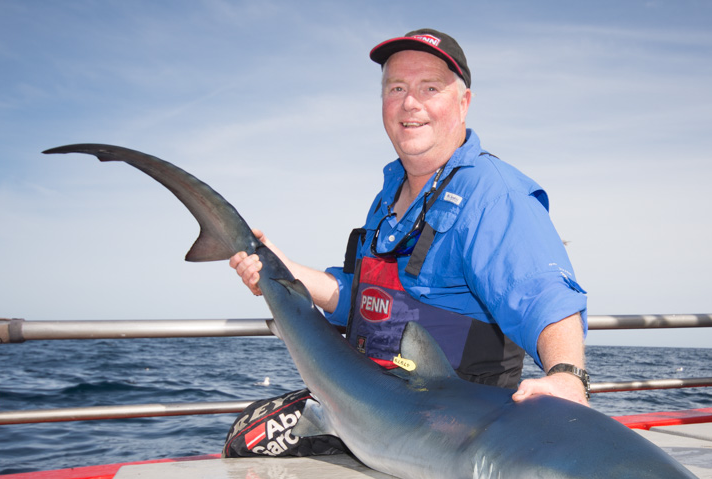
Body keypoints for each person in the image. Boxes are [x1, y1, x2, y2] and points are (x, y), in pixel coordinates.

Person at [229, 28, 589, 427]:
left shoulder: (493, 194)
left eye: (430, 88)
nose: (410, 103)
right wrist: (285, 270)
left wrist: (568, 376)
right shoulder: (388, 196)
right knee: (248, 433)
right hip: (372, 404)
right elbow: (371, 303)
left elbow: (544, 294)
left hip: (451, 427)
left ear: (464, 102)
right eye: (396, 88)